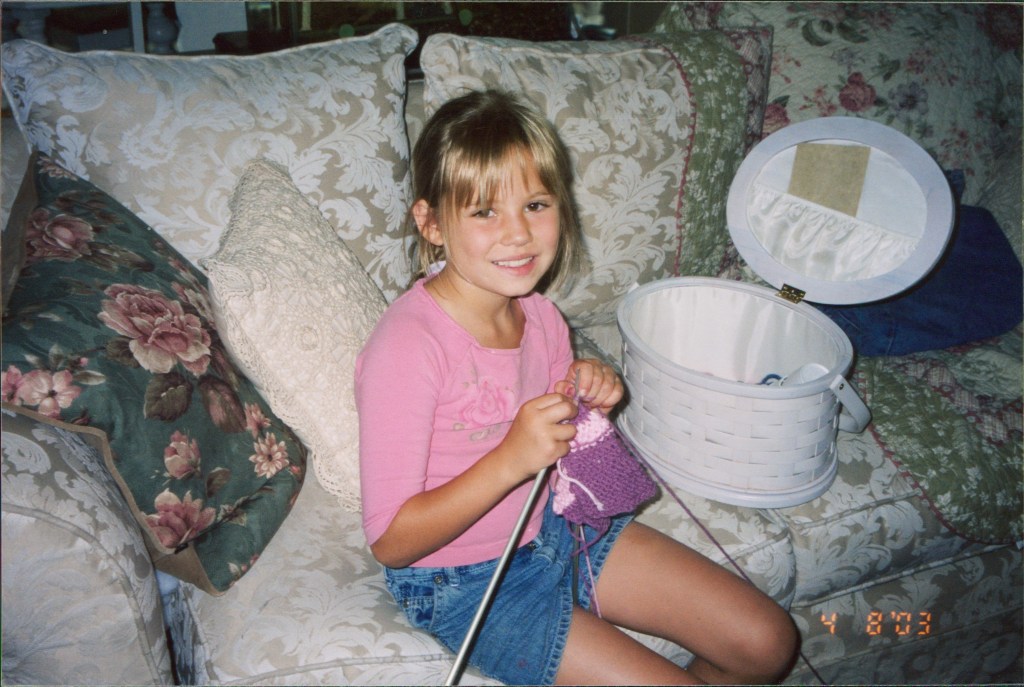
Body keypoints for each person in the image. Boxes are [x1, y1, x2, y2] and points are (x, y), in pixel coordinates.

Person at [355, 89, 798, 685]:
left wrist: (586, 390)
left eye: (535, 204)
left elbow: (558, 430)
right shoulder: (408, 347)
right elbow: (391, 542)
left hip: (558, 528)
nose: (517, 235)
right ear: (431, 223)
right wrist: (513, 457)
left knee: (769, 641)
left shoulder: (539, 316)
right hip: (461, 581)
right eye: (484, 211)